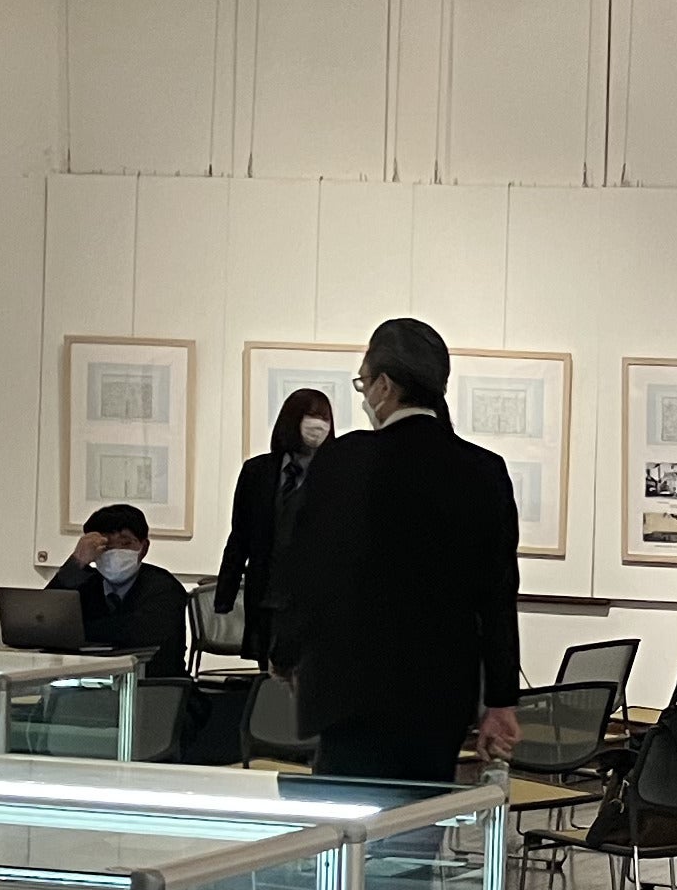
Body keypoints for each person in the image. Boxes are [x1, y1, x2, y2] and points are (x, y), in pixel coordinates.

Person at [273, 318, 522, 786]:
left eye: (364, 383)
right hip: (441, 692)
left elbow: (305, 567)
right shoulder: (482, 469)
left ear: (384, 386)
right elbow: (497, 594)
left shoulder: (345, 460)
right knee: (421, 814)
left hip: (348, 688)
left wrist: (285, 652)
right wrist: (501, 700)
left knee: (346, 818)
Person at [213, 389, 334, 667]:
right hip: (265, 593)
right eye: (311, 415)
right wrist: (225, 596)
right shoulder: (257, 471)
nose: (319, 425)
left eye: (325, 418)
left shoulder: (335, 473)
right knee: (268, 671)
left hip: (314, 600)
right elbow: (240, 536)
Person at [48, 502, 190, 676]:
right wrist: (77, 561)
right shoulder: (85, 583)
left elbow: (137, 631)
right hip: (90, 681)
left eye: (125, 543)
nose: (116, 552)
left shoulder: (165, 587)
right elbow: (44, 621)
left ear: (143, 548)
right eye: (106, 546)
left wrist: (75, 632)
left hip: (153, 683)